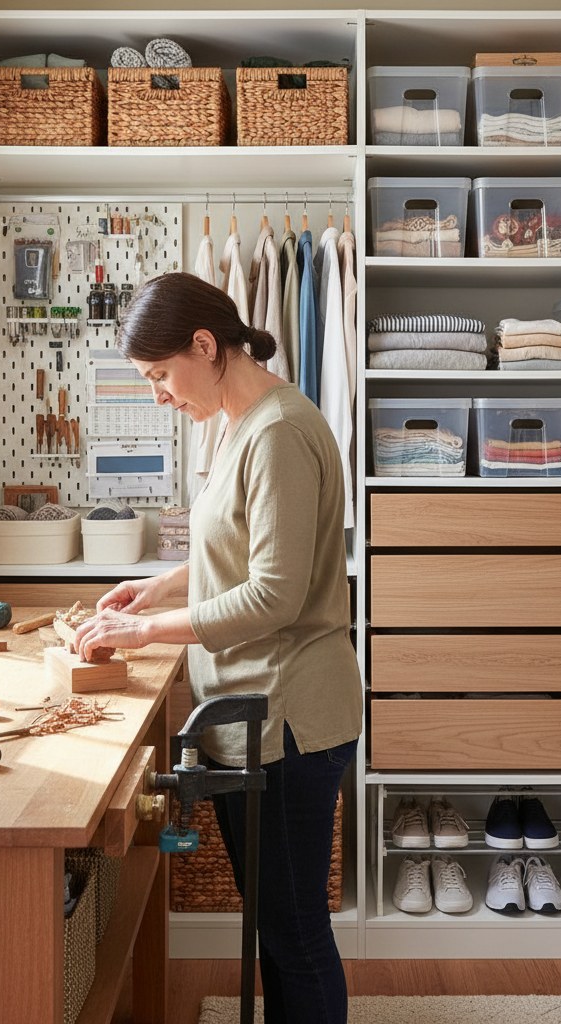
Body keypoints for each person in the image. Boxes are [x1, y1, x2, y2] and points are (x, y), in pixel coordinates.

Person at [73, 271, 362, 1024]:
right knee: (276, 922)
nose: (159, 394)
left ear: (206, 346)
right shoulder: (236, 423)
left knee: (294, 931)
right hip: (252, 714)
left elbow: (273, 595)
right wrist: (157, 590)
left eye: (161, 374)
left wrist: (139, 634)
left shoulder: (277, 434)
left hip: (291, 717)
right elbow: (232, 549)